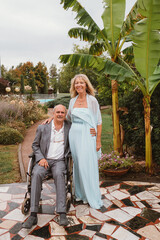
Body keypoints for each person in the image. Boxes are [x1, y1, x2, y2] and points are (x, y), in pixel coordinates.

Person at [22, 104, 71, 229]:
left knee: (60, 175)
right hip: (44, 160)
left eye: (62, 112)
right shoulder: (43, 128)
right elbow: (35, 145)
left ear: (65, 115)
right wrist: (41, 158)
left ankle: (62, 212)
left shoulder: (69, 127)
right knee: (36, 174)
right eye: (57, 112)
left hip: (59, 161)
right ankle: (33, 214)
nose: (60, 114)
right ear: (53, 114)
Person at [67, 74, 103, 209]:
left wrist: (98, 140)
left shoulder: (92, 100)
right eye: (76, 83)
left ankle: (91, 195)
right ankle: (81, 194)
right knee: (77, 164)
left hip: (88, 135)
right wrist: (51, 119)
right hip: (75, 136)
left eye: (81, 82)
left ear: (86, 85)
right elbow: (68, 118)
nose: (79, 85)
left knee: (87, 164)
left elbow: (98, 121)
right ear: (74, 86)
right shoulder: (72, 101)